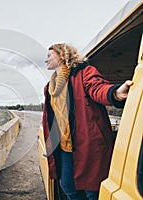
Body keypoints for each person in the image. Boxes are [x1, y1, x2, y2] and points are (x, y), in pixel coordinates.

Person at [42, 43, 133, 200]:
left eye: (50, 55)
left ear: (62, 55)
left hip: (88, 143)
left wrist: (116, 93)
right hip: (64, 146)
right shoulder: (49, 87)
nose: (46, 59)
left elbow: (98, 88)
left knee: (93, 189)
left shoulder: (84, 73)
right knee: (68, 187)